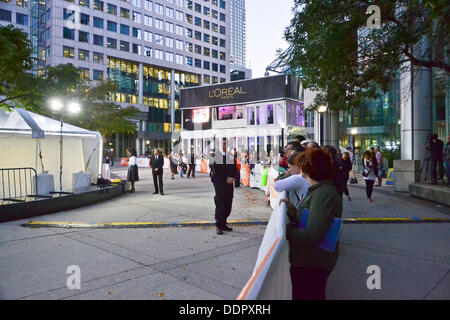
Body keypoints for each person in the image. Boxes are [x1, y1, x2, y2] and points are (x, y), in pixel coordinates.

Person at [280, 148, 342, 300]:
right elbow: (313, 218)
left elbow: (313, 235)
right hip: (309, 260)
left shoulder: (323, 194)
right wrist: (294, 213)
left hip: (313, 262)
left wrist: (282, 232)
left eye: (302, 164)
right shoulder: (318, 190)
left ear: (309, 168)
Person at [209, 138, 240, 235]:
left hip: (229, 184)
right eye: (222, 144)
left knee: (228, 205)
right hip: (220, 184)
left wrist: (234, 178)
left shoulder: (231, 156)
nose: (224, 146)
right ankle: (219, 225)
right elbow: (216, 170)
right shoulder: (215, 156)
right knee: (220, 205)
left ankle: (224, 223)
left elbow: (236, 169)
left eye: (226, 144)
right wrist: (226, 179)